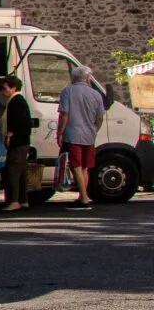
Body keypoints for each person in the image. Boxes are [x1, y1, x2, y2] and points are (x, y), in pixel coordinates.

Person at [57, 65, 106, 208]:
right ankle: (82, 196)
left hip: (73, 134)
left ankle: (84, 199)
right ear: (87, 78)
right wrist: (95, 128)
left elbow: (64, 114)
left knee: (76, 166)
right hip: (89, 135)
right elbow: (100, 117)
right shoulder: (96, 94)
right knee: (84, 167)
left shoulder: (68, 91)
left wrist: (59, 133)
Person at [0, 74, 34, 212]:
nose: (3, 91)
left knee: (13, 171)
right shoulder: (17, 100)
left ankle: (14, 200)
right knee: (20, 171)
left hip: (18, 142)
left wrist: (11, 134)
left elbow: (19, 122)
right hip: (22, 141)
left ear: (13, 88)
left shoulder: (16, 101)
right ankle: (22, 199)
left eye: (5, 88)